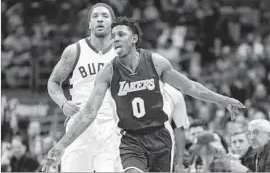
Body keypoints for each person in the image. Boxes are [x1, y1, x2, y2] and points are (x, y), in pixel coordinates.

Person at [43, 16, 245, 172]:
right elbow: (88, 113)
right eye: (113, 36)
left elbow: (191, 87)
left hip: (159, 137)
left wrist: (224, 100)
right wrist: (61, 145)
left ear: (134, 39)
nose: (115, 39)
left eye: (120, 34)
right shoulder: (108, 72)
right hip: (130, 140)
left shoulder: (156, 62)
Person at [46, 3, 122, 172]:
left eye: (104, 16)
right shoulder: (74, 51)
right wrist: (63, 103)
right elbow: (53, 82)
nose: (100, 19)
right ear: (89, 24)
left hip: (112, 126)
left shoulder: (122, 53)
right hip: (80, 124)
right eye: (95, 17)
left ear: (113, 24)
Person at [161, 83, 190, 171]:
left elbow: (179, 130)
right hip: (133, 145)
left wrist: (179, 163)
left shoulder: (173, 94)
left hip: (162, 149)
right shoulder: (131, 86)